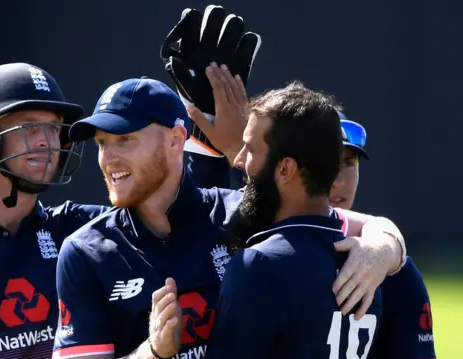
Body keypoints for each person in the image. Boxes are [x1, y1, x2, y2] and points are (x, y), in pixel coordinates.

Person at [0, 62, 231, 359]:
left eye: (54, 129)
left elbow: (182, 211)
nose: (47, 141)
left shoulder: (81, 231)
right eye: (29, 127)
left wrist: (205, 130)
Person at [52, 73, 406, 359]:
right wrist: (153, 353)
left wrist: (383, 248)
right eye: (101, 143)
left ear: (176, 140)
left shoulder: (241, 212)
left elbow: (357, 223)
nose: (108, 159)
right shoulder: (84, 252)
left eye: (124, 139)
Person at [205, 82, 385, 358]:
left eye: (250, 149)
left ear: (286, 169)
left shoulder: (259, 265)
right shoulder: (374, 269)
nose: (239, 161)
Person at [331, 114, 436, 359]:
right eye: (323, 164)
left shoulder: (395, 272)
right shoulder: (251, 251)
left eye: (348, 163)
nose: (337, 181)